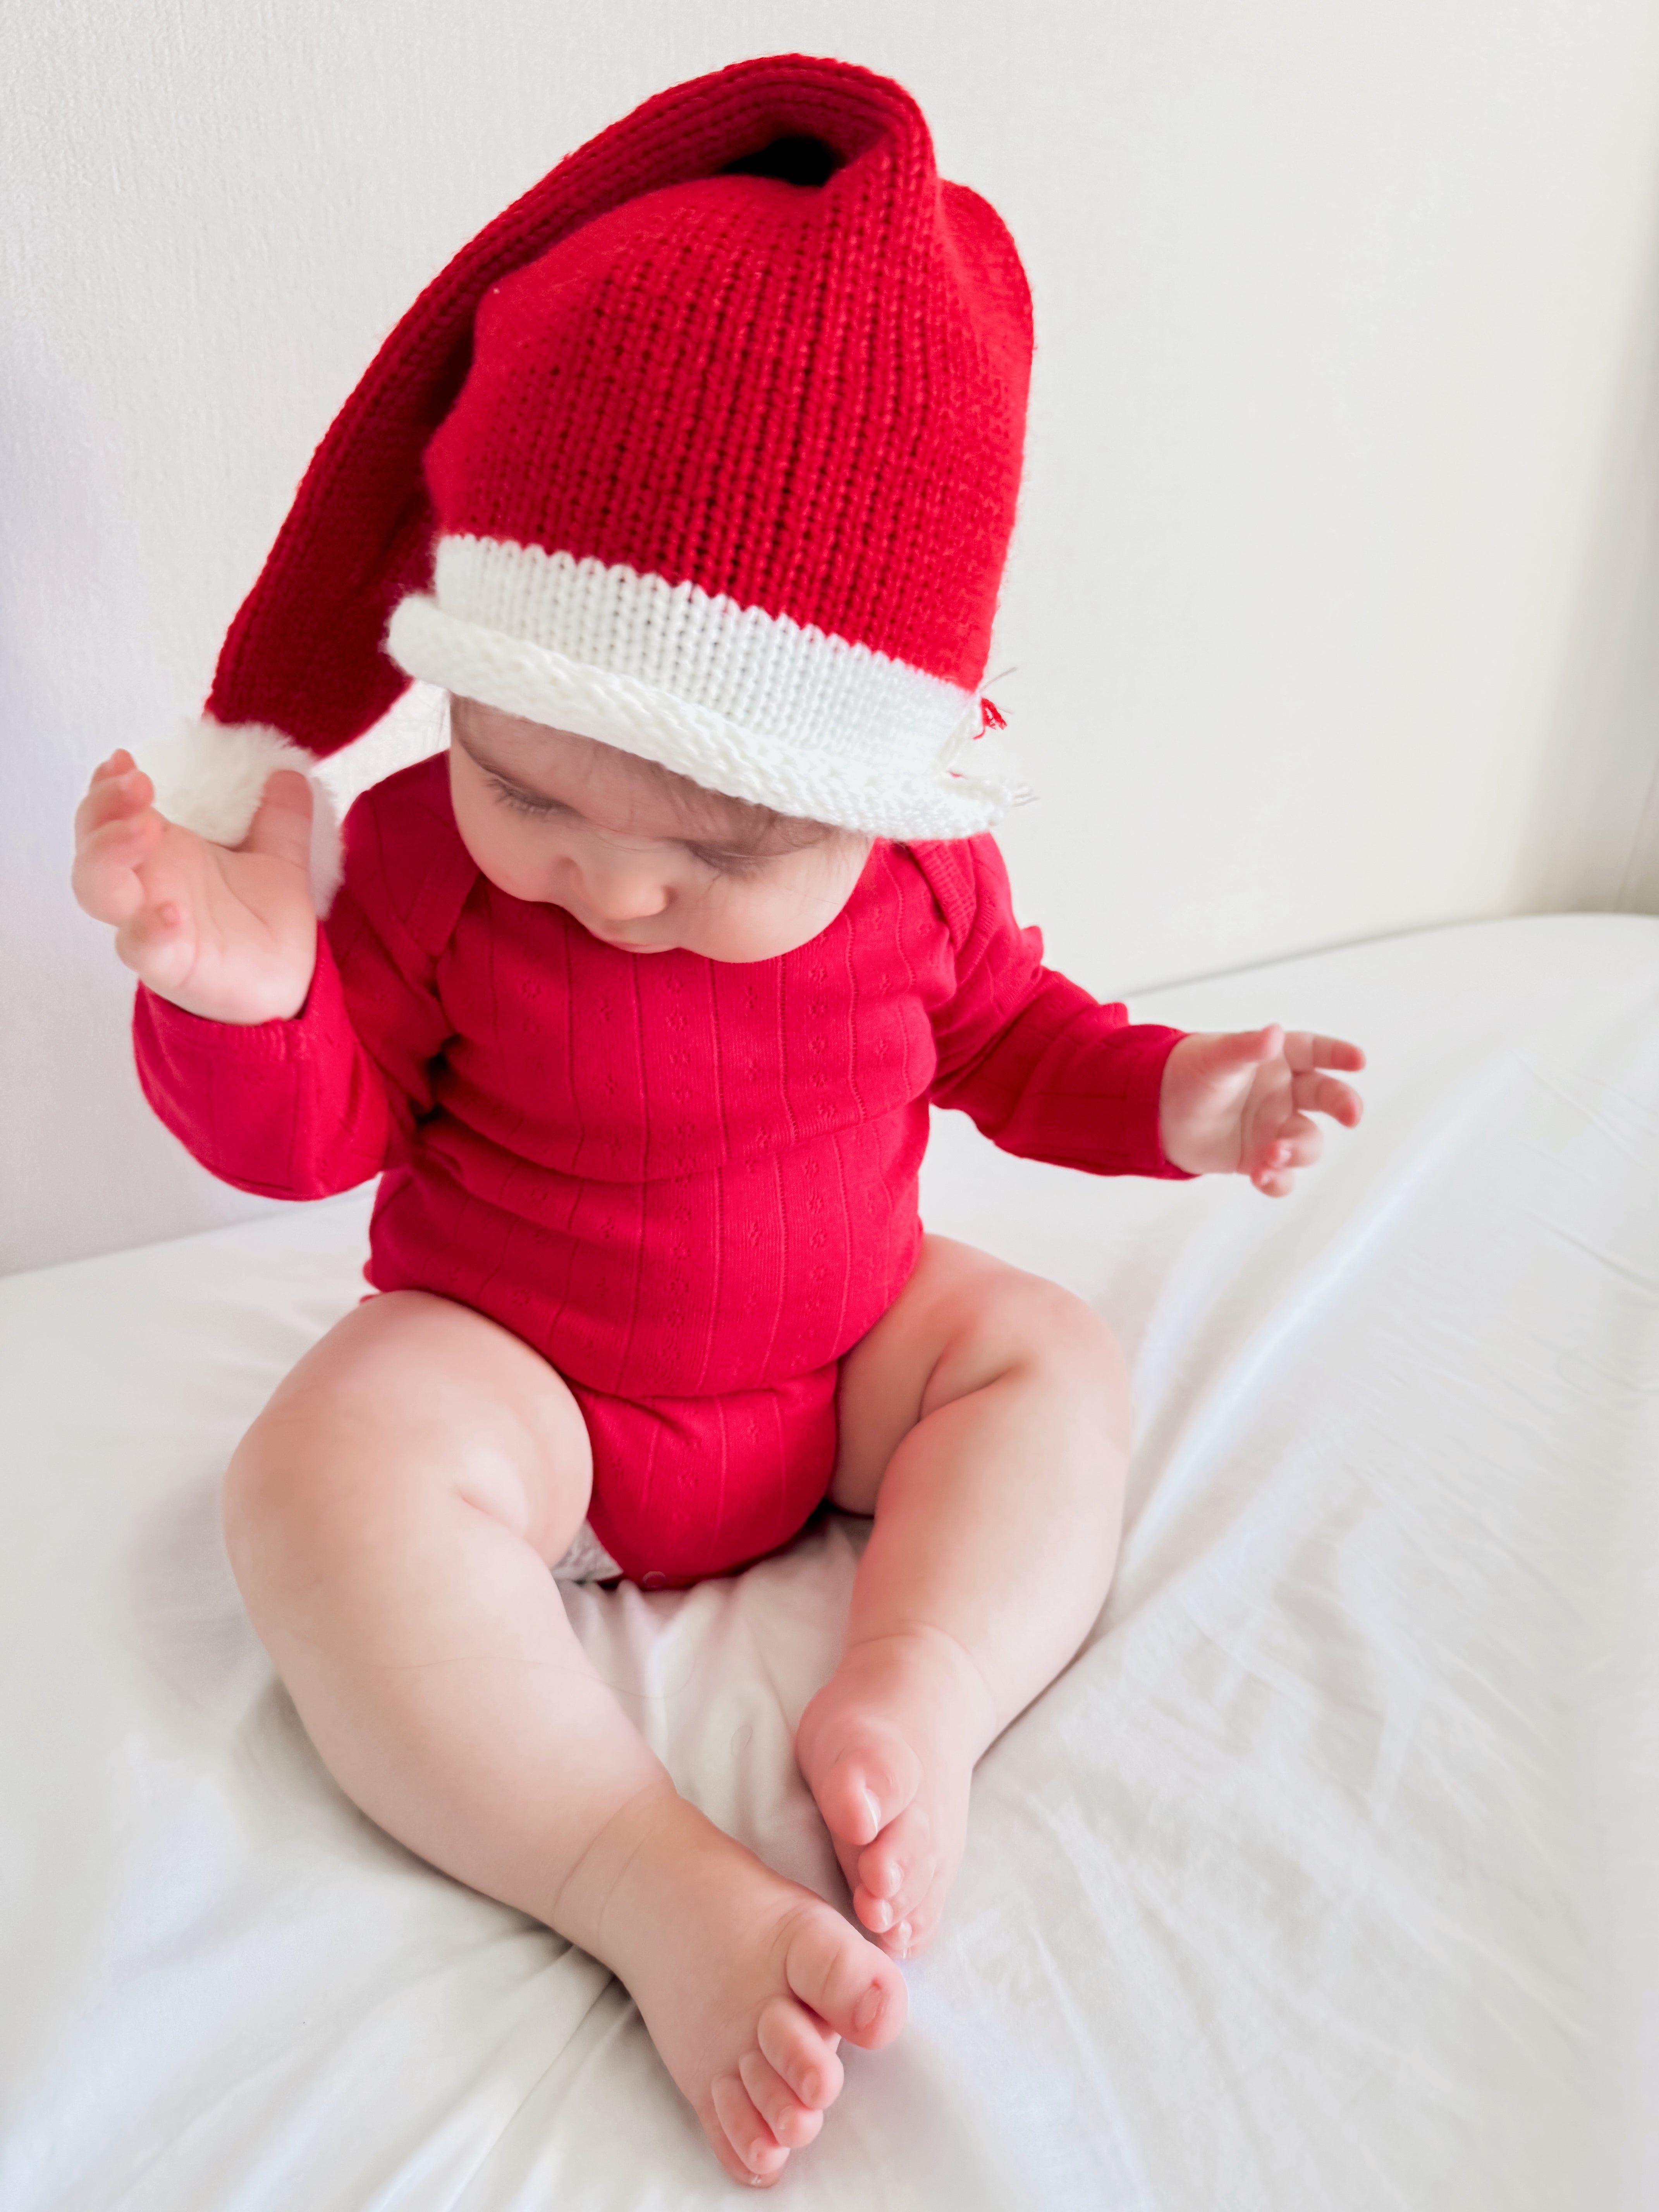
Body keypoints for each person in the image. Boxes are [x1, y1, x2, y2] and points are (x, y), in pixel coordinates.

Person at [69, 56, 1363, 2188]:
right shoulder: (419, 868)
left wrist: (1185, 1096)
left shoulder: (923, 882)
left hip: (848, 1356)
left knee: (1049, 1353)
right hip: (532, 1380)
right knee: (323, 1471)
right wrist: (248, 989)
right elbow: (313, 1137)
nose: (613, 880)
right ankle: (628, 1866)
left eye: (726, 848)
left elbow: (1013, 1035)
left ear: (887, 790)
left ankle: (919, 1695)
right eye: (538, 785)